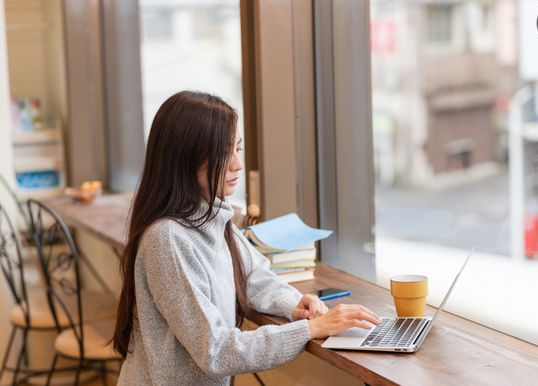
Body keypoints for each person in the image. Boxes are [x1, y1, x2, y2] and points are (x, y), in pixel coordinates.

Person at [112, 91, 381, 386]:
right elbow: (215, 350)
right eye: (224, 153)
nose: (237, 164)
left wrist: (296, 304)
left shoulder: (213, 217)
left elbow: (255, 277)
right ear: (185, 158)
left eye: (238, 149)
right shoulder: (167, 239)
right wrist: (309, 329)